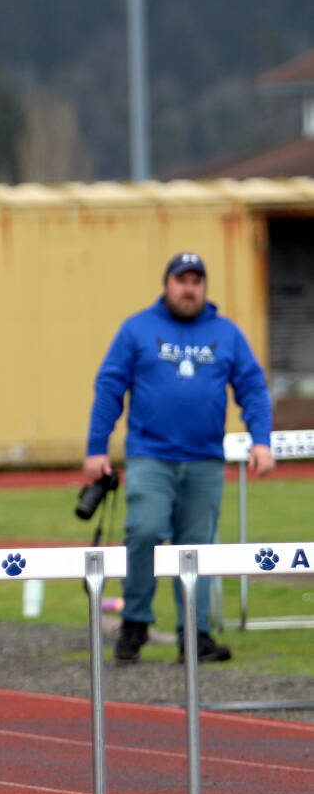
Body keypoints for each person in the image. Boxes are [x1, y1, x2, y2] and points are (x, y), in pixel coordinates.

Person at [85, 251, 275, 665]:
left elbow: (253, 388)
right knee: (145, 530)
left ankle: (195, 633)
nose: (189, 289)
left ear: (203, 287)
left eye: (196, 281)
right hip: (150, 456)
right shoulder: (137, 329)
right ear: (166, 284)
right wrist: (97, 447)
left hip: (205, 459)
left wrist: (261, 440)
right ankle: (135, 622)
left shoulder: (226, 333)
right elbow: (109, 386)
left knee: (197, 547)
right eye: (181, 281)